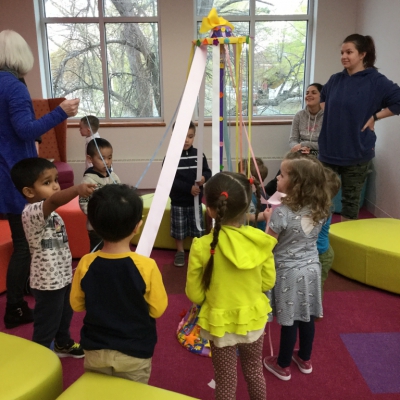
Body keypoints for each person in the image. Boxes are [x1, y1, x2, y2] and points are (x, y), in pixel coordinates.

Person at [0, 29, 80, 328]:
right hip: (15, 173)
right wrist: (61, 112)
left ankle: (22, 294)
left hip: (6, 171)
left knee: (23, 238)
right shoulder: (14, 86)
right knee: (24, 244)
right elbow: (24, 129)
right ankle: (16, 307)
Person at [186, 171, 276, 400]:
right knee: (255, 372)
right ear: (247, 207)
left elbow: (195, 293)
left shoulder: (202, 246)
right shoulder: (261, 242)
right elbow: (268, 282)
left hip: (220, 324)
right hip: (254, 321)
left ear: (211, 209)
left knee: (225, 380)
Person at [71, 184, 168, 383]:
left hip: (95, 350)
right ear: (137, 226)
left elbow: (76, 304)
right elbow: (157, 309)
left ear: (95, 226)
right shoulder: (146, 266)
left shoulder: (86, 263)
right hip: (135, 351)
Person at [10, 157, 95, 356]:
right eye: (47, 183)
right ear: (29, 192)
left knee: (65, 314)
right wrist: (76, 189)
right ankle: (40, 356)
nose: (55, 186)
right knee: (47, 320)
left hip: (62, 276)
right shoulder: (32, 212)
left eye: (56, 180)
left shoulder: (51, 213)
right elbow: (55, 199)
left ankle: (62, 343)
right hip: (47, 283)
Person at [263, 155, 331, 381]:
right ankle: (304, 358)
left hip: (287, 272)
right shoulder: (320, 207)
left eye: (281, 175)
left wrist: (267, 219)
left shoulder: (281, 212)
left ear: (296, 183)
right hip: (312, 268)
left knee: (290, 318)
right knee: (307, 314)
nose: (277, 177)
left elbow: (267, 243)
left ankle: (282, 364)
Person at [319, 33, 400, 221]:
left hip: (357, 152)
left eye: (349, 52)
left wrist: (375, 117)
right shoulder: (335, 79)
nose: (344, 56)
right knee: (320, 200)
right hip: (329, 151)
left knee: (350, 203)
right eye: (342, 52)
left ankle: (347, 243)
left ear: (363, 54)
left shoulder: (375, 81)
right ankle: (320, 241)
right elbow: (323, 99)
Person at [265, 83, 324, 196]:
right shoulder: (299, 115)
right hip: (300, 152)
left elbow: (326, 144)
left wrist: (305, 144)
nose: (309, 95)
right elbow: (292, 140)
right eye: (307, 93)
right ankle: (271, 190)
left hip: (319, 153)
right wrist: (298, 147)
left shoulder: (328, 116)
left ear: (322, 96)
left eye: (313, 92)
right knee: (288, 165)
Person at [169, 121, 211, 267]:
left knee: (196, 228)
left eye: (190, 136)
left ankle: (197, 251)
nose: (186, 140)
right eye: (183, 136)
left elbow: (207, 171)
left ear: (194, 137)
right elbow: (170, 180)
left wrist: (204, 178)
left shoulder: (199, 155)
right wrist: (188, 189)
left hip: (196, 201)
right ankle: (180, 252)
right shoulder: (171, 157)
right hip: (179, 202)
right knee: (179, 229)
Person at [79, 138, 121, 252]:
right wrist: (98, 215)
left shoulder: (114, 176)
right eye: (102, 158)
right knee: (98, 253)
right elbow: (84, 203)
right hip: (96, 228)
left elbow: (119, 195)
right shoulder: (88, 180)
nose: (107, 162)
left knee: (113, 251)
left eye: (109, 157)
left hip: (112, 225)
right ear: (90, 159)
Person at [318, 167, 341, 300]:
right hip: (319, 251)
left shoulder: (322, 211)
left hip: (321, 254)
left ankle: (316, 310)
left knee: (317, 283)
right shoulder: (318, 206)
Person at [238, 157, 269, 231]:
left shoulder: (262, 196)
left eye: (240, 175)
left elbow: (267, 213)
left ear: (252, 179)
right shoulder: (240, 192)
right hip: (243, 230)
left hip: (257, 231)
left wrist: (251, 217)